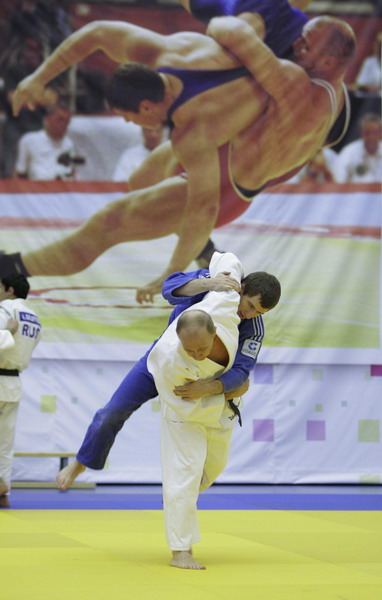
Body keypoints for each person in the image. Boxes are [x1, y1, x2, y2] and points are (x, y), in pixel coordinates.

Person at [7, 8, 355, 299]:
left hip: (230, 183)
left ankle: (12, 267)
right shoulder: (180, 51)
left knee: (111, 222)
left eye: (305, 44)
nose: (296, 46)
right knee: (140, 178)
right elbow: (98, 31)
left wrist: (170, 276)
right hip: (232, 145)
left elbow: (204, 207)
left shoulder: (290, 86)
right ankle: (201, 247)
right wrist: (37, 77)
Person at [55, 257, 281, 543]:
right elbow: (169, 288)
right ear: (242, 287)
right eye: (249, 304)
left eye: (258, 311)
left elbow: (242, 371)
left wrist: (211, 387)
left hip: (198, 384)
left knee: (208, 464)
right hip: (161, 364)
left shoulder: (253, 327)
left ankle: (184, 499)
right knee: (112, 412)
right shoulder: (217, 286)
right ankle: (82, 461)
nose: (248, 314)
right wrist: (210, 283)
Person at [0, 274, 42, 508]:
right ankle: (3, 489)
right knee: (5, 443)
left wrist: (8, 333)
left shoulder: (4, 310)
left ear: (10, 289)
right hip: (14, 382)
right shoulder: (35, 318)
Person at [14, 101, 77, 180]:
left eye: (67, 121)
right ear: (48, 119)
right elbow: (19, 174)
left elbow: (73, 174)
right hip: (37, 189)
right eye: (59, 120)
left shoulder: (69, 144)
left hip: (64, 189)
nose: (63, 125)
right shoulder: (29, 141)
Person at [333, 112, 382, 183]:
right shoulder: (349, 152)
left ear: (381, 133)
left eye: (375, 132)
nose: (371, 137)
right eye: (367, 132)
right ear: (361, 133)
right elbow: (337, 180)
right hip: (355, 193)